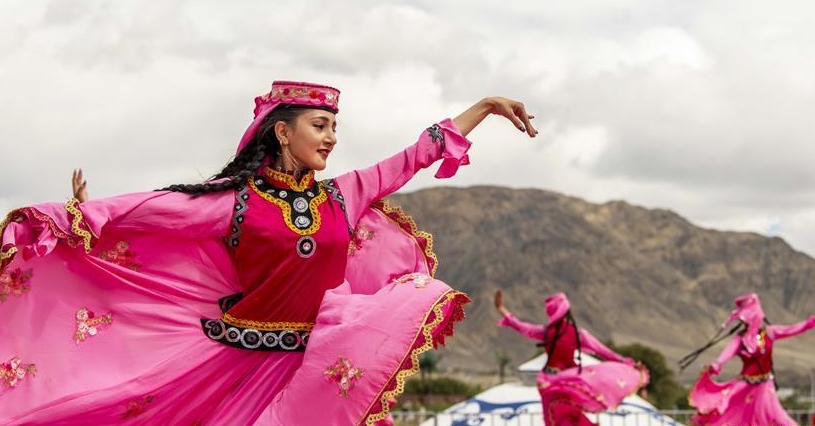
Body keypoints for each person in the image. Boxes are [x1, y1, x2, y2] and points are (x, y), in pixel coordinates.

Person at [0, 80, 537, 425]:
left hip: (316, 365)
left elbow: (415, 156)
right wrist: (67, 218)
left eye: (334, 128)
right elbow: (147, 210)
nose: (331, 138)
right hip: (237, 366)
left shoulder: (343, 195)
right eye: (320, 126)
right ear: (282, 131)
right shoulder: (231, 203)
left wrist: (484, 107)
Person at [493, 290, 649, 426]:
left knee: (556, 419)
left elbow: (522, 327)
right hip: (571, 381)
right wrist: (625, 362)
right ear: (566, 312)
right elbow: (603, 350)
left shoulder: (546, 332)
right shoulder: (578, 334)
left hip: (550, 380)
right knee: (571, 417)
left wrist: (502, 309)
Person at [682, 293, 815, 426]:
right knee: (732, 416)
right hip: (744, 386)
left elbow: (792, 329)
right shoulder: (741, 338)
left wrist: (810, 323)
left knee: (777, 417)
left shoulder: (769, 332)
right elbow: (726, 354)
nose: (746, 321)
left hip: (765, 387)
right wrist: (715, 366)